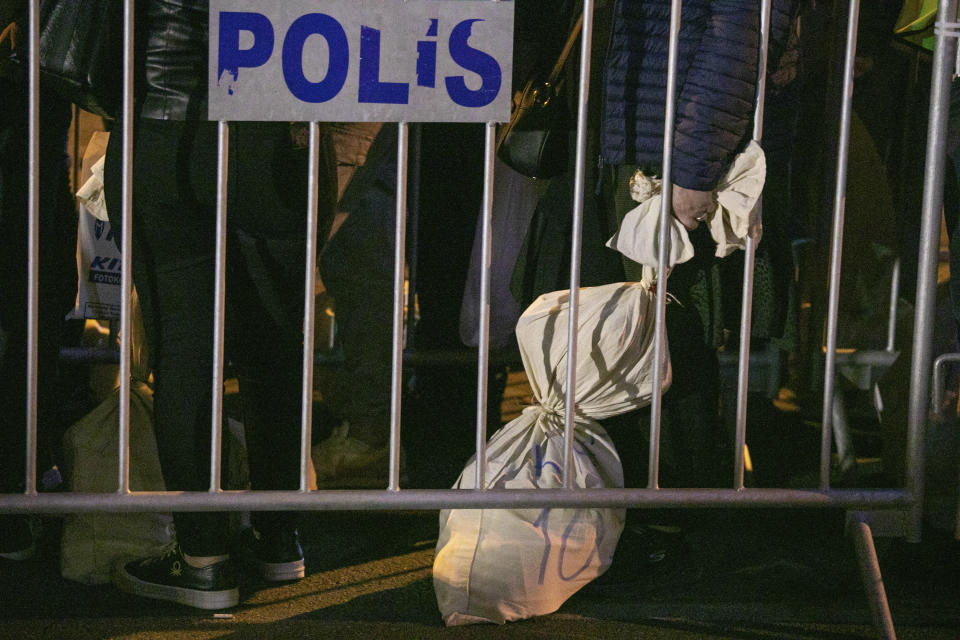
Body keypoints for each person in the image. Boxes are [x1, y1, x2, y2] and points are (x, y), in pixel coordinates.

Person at [511, 0, 799, 573]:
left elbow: (737, 40)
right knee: (629, 334)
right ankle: (637, 513)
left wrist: (692, 168)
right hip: (625, 140)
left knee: (665, 338)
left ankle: (671, 522)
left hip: (666, 147)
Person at [101, 0, 337, 609]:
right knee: (278, 349)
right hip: (282, 123)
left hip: (168, 122)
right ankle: (278, 538)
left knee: (185, 349)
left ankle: (203, 559)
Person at [0, 1, 77, 560]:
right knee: (26, 294)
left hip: (28, 79)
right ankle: (17, 484)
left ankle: (17, 479)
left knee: (29, 291)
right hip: (26, 77)